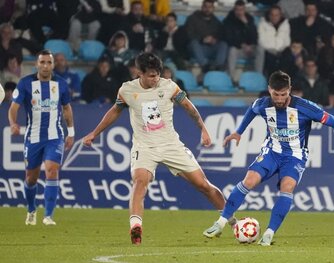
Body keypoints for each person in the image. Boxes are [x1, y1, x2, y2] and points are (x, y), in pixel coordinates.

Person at [82, 52, 230, 245]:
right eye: (151, 75)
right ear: (139, 73)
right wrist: (95, 133)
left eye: (157, 74)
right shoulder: (127, 90)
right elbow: (115, 111)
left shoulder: (169, 86)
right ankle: (136, 227)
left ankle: (234, 222)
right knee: (139, 181)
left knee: (203, 185)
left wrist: (203, 129)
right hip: (144, 147)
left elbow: (189, 107)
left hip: (171, 145)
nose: (156, 78)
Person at [203, 70, 334, 246]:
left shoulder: (305, 107)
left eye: (283, 94)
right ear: (269, 90)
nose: (279, 99)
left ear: (290, 90)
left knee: (287, 187)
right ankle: (220, 223)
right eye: (275, 94)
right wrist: (238, 132)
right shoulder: (262, 104)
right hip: (272, 151)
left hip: (295, 156)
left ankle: (269, 234)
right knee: (249, 180)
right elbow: (251, 110)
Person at [8, 49, 75, 226]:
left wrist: (71, 132)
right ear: (37, 64)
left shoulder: (60, 84)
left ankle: (48, 216)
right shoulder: (25, 83)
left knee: (52, 170)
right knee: (31, 177)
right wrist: (13, 123)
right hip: (33, 137)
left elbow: (66, 108)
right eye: (42, 62)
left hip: (55, 136)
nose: (45, 66)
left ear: (53, 65)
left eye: (49, 63)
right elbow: (13, 108)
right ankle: (31, 210)